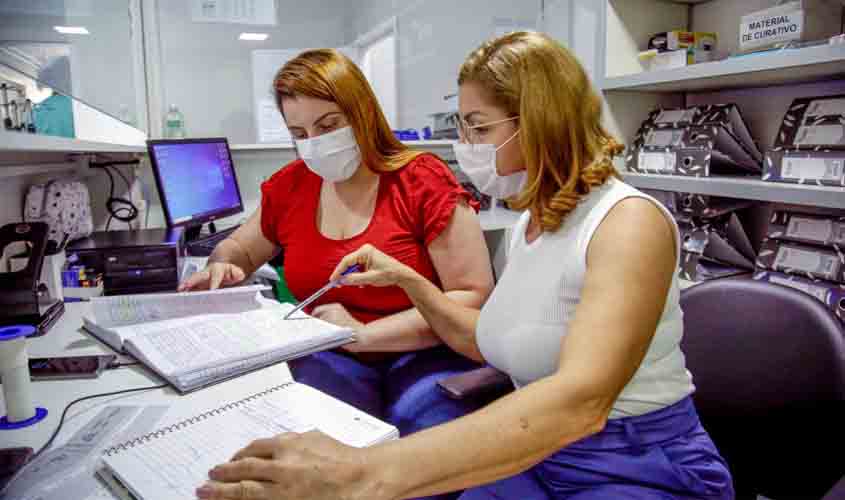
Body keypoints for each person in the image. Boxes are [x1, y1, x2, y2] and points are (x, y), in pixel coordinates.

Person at [196, 32, 734, 500]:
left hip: (635, 461)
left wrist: (364, 472)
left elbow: (581, 402)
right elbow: (487, 341)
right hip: (544, 453)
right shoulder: (535, 224)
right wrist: (410, 281)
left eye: (478, 128)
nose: (466, 145)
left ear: (541, 122)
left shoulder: (628, 223)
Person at [179, 48, 495, 480]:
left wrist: (365, 334)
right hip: (332, 355)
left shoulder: (421, 180)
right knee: (311, 452)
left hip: (424, 352)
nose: (314, 142)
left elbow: (471, 297)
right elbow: (240, 249)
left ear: (361, 113)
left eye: (328, 126)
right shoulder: (291, 186)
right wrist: (224, 263)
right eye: (300, 132)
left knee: (416, 455)